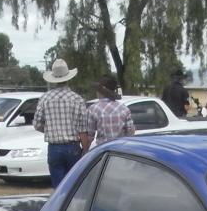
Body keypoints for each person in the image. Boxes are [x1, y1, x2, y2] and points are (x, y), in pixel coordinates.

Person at [32, 58, 90, 189]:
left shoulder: (45, 98)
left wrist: (50, 129)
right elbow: (83, 129)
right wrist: (85, 150)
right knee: (75, 187)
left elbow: (37, 124)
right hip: (73, 147)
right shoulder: (77, 99)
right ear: (68, 78)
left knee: (59, 189)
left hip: (54, 148)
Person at [85, 74, 135, 147]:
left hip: (103, 150)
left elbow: (89, 137)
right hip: (121, 150)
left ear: (100, 92)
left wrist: (85, 152)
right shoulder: (124, 109)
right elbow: (130, 132)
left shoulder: (93, 109)